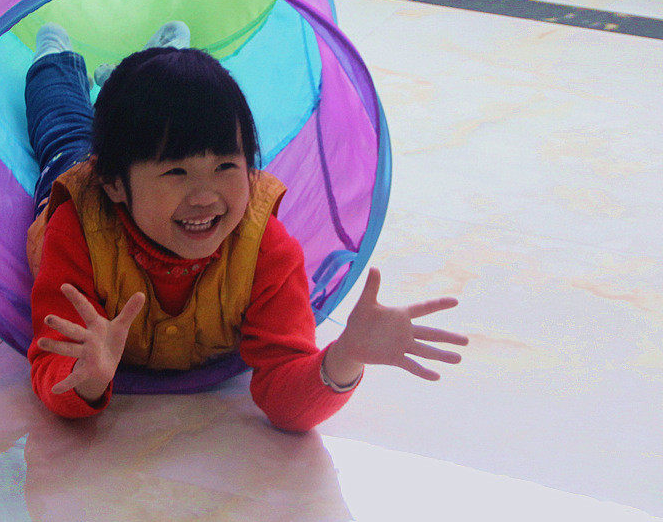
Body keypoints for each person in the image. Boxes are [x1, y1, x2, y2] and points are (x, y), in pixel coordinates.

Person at [24, 22, 468, 432]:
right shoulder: (78, 231)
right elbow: (51, 363)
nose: (205, 196)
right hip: (86, 173)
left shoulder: (264, 248)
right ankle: (55, 62)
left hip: (139, 148)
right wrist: (86, 376)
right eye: (176, 172)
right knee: (66, 133)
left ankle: (161, 65)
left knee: (163, 114)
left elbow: (287, 398)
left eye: (226, 166)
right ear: (116, 184)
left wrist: (345, 358)